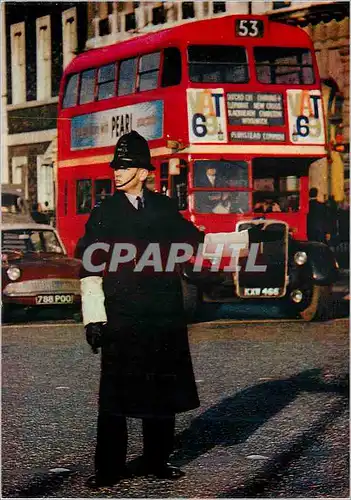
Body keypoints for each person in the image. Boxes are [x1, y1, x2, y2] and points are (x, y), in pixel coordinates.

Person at [78, 131, 276, 489]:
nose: (117, 173)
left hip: (164, 312)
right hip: (122, 314)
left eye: (124, 167)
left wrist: (250, 239)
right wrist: (94, 317)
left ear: (142, 171)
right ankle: (109, 468)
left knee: (162, 390)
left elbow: (201, 242)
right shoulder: (104, 212)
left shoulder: (165, 208)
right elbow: (90, 266)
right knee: (115, 394)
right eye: (116, 167)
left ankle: (156, 460)